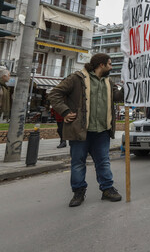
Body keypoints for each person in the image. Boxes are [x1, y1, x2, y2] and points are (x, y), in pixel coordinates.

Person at [48, 53, 123, 207]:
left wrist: (129, 85)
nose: (111, 67)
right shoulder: (77, 78)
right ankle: (78, 192)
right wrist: (65, 111)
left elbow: (118, 97)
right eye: (109, 64)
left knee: (103, 162)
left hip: (102, 130)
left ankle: (107, 189)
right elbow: (54, 93)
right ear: (101, 65)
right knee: (78, 163)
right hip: (80, 130)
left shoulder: (109, 82)